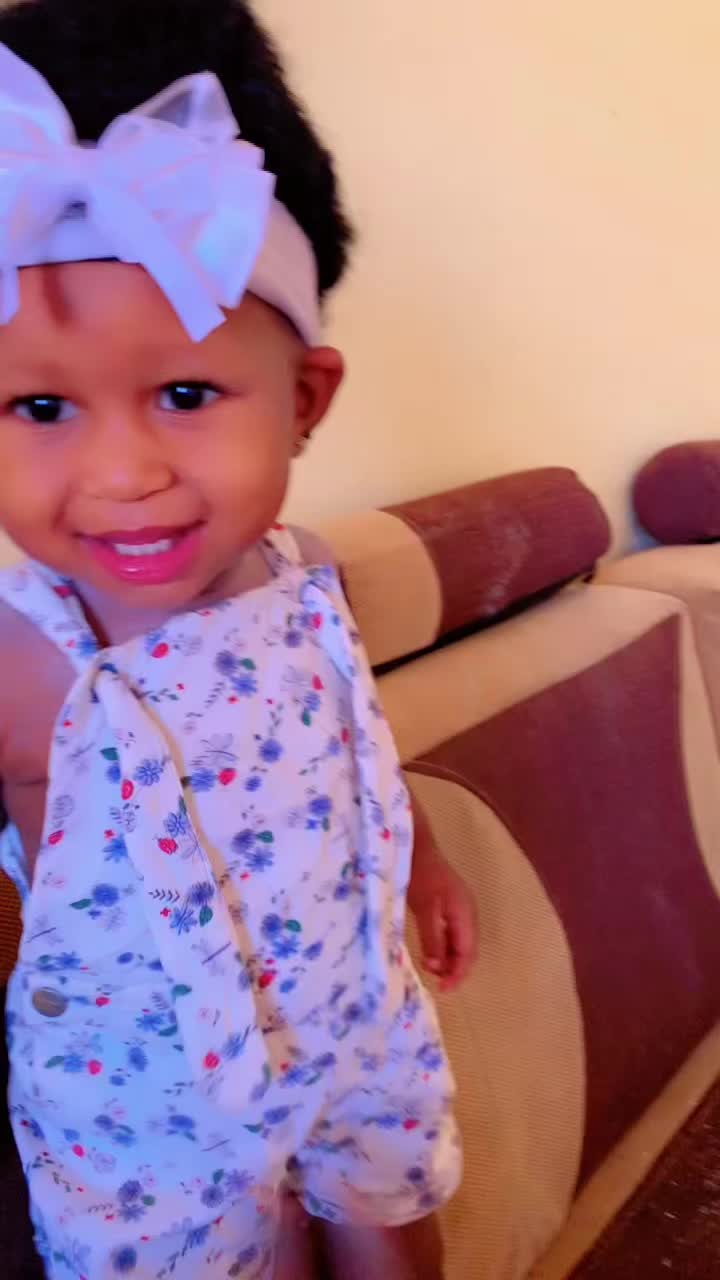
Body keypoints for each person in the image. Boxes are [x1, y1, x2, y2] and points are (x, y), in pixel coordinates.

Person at [0, 2, 477, 1277]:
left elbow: (352, 743)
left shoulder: (305, 576)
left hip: (354, 1012)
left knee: (391, 1219)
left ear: (303, 400)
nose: (124, 473)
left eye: (185, 392)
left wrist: (421, 858)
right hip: (141, 1098)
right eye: (38, 405)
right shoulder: (18, 647)